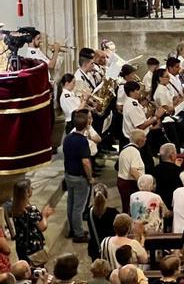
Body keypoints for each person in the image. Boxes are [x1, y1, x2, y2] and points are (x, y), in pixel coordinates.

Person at [62, 110, 94, 243]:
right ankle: (79, 234)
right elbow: (85, 162)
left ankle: (72, 229)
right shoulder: (82, 141)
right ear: (86, 124)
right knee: (78, 207)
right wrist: (90, 177)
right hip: (80, 178)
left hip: (69, 175)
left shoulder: (68, 138)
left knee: (71, 203)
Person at [10, 179, 51, 267]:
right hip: (33, 246)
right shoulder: (31, 209)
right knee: (38, 268)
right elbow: (42, 227)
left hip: (21, 245)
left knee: (26, 268)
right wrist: (44, 215)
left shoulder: (14, 208)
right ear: (28, 192)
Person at [117, 129, 147, 214]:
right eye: (144, 137)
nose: (146, 139)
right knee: (134, 211)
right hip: (130, 184)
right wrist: (143, 185)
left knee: (126, 208)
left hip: (122, 181)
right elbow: (133, 171)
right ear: (140, 141)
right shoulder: (134, 152)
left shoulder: (124, 149)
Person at [87, 184, 119, 261]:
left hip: (95, 247)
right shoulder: (113, 213)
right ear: (107, 197)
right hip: (110, 247)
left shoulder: (89, 212)